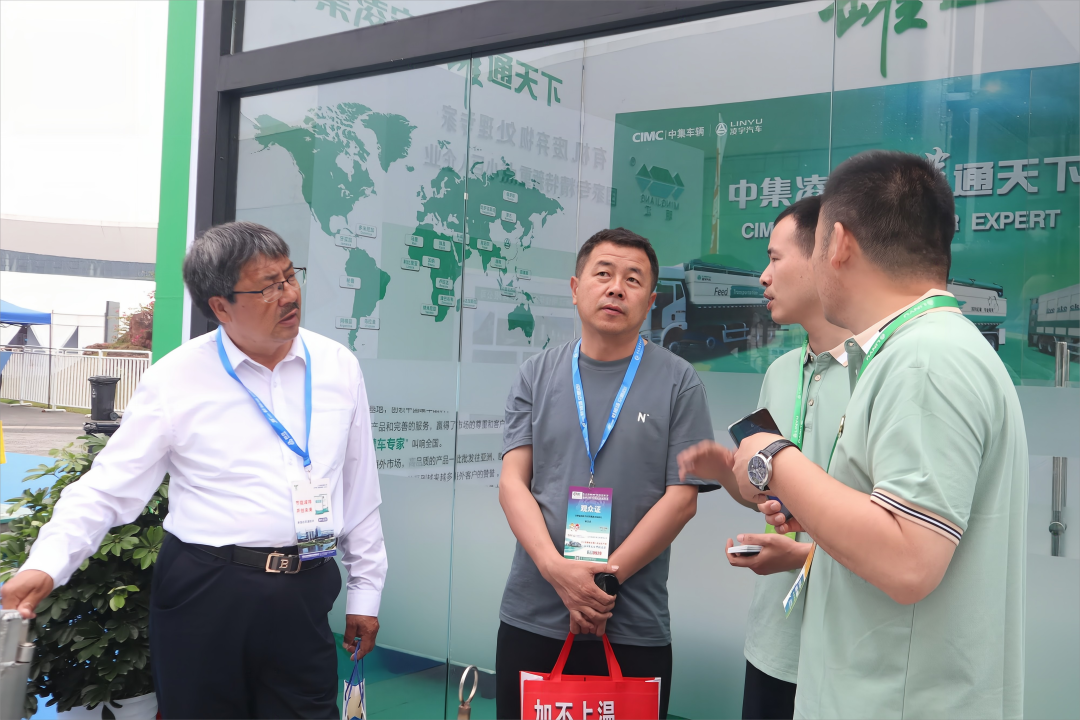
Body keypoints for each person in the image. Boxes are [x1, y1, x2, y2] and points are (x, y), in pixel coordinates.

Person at [1, 222, 387, 719]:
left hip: (305, 589)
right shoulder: (176, 379)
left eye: (290, 277)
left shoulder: (337, 366)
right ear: (220, 307)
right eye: (267, 287)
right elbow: (107, 488)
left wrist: (366, 592)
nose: (289, 295)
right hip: (208, 591)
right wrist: (46, 563)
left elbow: (358, 484)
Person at [729, 151, 1028, 718]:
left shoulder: (924, 359)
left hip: (895, 699)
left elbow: (908, 560)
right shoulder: (925, 348)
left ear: (839, 244)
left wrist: (773, 458)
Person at [495, 227, 715, 719]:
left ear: (651, 301)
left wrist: (601, 586)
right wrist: (557, 572)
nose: (616, 288)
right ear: (576, 289)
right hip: (535, 613)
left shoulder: (679, 382)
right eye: (603, 274)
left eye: (633, 279)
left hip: (630, 620)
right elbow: (513, 483)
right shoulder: (536, 374)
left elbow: (682, 500)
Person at [678, 196, 851, 720]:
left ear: (824, 256)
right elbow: (767, 495)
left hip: (847, 650)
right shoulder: (780, 372)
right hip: (774, 642)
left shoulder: (879, 375)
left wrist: (802, 557)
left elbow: (895, 533)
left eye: (775, 258)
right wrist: (726, 473)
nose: (763, 276)